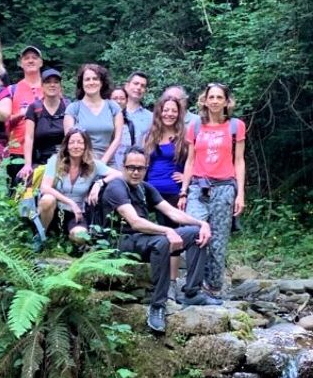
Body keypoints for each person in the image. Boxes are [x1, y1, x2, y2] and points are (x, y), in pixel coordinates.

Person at [104, 147, 220, 332]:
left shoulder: (145, 188)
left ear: (146, 168)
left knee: (196, 232)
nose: (135, 172)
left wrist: (201, 224)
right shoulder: (116, 187)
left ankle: (192, 292)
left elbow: (172, 212)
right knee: (163, 242)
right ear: (123, 167)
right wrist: (167, 231)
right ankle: (157, 305)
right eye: (131, 167)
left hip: (143, 237)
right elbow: (135, 222)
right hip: (122, 240)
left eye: (140, 168)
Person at [179, 83, 246, 297]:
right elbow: (190, 161)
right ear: (205, 100)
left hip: (225, 187)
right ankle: (193, 285)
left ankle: (214, 287)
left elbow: (239, 161)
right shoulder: (196, 126)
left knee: (217, 241)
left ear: (227, 102)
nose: (215, 101)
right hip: (198, 186)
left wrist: (240, 194)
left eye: (219, 97)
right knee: (195, 233)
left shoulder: (236, 126)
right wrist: (183, 191)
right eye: (212, 97)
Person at [38, 129, 120, 242]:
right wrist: (70, 202)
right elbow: (45, 187)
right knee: (47, 199)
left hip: (76, 214)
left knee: (80, 236)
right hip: (55, 210)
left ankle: (68, 239)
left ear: (86, 145)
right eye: (72, 142)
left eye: (80, 142)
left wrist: (99, 183)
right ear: (66, 146)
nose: (76, 146)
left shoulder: (93, 165)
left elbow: (119, 174)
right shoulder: (55, 160)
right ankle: (41, 236)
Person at [143, 95, 189, 295]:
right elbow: (143, 164)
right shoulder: (150, 136)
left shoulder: (183, 137)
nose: (169, 114)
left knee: (174, 235)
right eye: (166, 110)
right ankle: (152, 279)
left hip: (172, 191)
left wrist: (185, 181)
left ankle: (172, 282)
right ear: (159, 112)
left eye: (173, 110)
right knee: (148, 232)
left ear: (179, 114)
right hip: (150, 189)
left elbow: (191, 163)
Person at [63, 63, 123, 163]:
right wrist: (89, 163)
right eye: (87, 79)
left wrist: (102, 163)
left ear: (102, 82)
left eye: (95, 79)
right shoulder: (73, 109)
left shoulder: (113, 107)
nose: (91, 82)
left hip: (108, 162)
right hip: (81, 162)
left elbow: (117, 139)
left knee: (119, 179)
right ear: (81, 83)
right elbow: (71, 142)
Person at [19, 67, 68, 182]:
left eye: (56, 82)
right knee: (24, 183)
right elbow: (29, 137)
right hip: (40, 161)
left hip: (64, 161)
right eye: (48, 82)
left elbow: (72, 136)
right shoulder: (34, 108)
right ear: (42, 86)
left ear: (60, 86)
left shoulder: (68, 107)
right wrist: (27, 164)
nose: (52, 85)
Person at [6, 45, 44, 182]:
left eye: (34, 58)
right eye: (26, 58)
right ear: (21, 63)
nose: (30, 61)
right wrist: (22, 114)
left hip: (44, 150)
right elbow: (5, 120)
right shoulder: (12, 89)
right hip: (18, 150)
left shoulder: (51, 87)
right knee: (16, 192)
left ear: (41, 62)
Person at [115, 71, 152, 166]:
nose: (139, 87)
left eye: (143, 86)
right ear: (127, 86)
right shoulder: (113, 112)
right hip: (111, 167)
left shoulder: (150, 117)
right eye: (136, 83)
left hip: (135, 170)